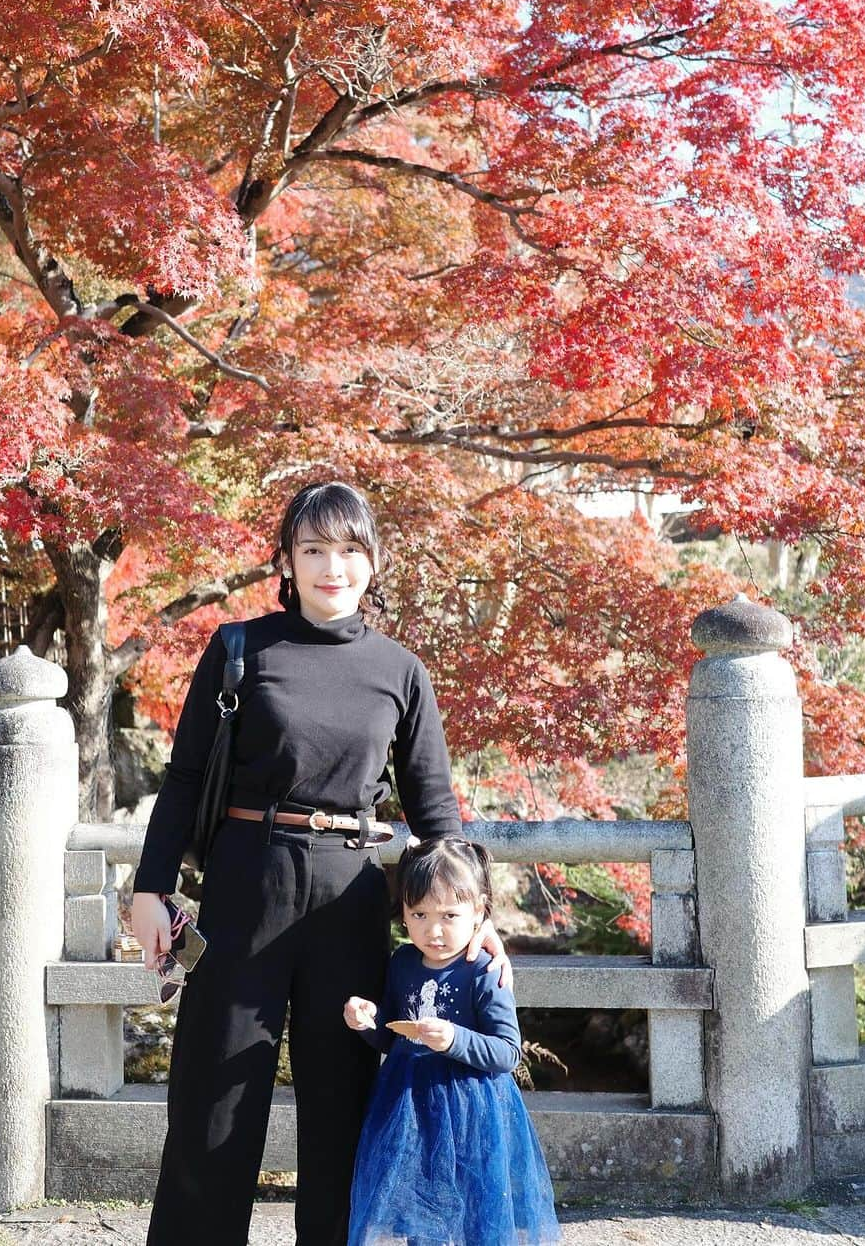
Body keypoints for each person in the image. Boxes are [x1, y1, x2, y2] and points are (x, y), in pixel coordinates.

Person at [131, 480, 513, 1246]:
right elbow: (182, 778)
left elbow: (434, 807)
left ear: (373, 562)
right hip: (247, 881)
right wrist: (150, 887)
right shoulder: (241, 649)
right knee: (215, 1099)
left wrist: (480, 920)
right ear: (287, 560)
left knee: (344, 1103)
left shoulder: (401, 670)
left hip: (353, 894)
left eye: (347, 549)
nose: (330, 566)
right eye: (312, 549)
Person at [344, 836, 561, 1246]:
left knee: (477, 1211)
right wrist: (367, 1022)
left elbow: (507, 1051)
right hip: (410, 1105)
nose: (434, 929)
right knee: (419, 1208)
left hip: (471, 1108)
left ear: (479, 910)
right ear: (403, 913)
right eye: (419, 914)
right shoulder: (403, 962)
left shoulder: (483, 971)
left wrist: (455, 1039)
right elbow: (395, 1035)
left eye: (449, 915)